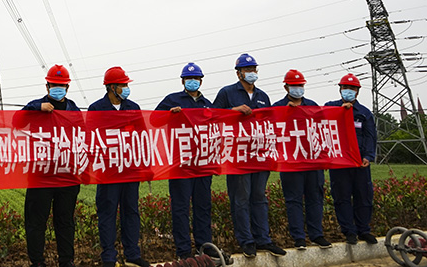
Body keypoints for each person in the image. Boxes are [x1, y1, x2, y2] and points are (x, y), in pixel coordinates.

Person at [213, 53, 285, 258]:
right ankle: (246, 240)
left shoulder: (263, 96)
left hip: (260, 155)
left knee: (259, 197)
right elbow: (212, 117)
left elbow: (270, 123)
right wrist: (233, 110)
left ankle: (264, 239)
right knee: (241, 198)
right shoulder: (227, 93)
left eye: (254, 69)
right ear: (239, 73)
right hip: (238, 157)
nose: (252, 73)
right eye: (248, 70)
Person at [155, 62, 218, 261]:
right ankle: (183, 251)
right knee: (181, 208)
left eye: (196, 79)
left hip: (201, 164)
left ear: (200, 81)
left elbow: (217, 126)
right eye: (189, 79)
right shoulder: (172, 100)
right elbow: (154, 120)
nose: (193, 82)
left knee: (203, 206)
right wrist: (168, 115)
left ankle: (204, 248)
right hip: (180, 164)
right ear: (183, 81)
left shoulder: (207, 104)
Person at [88, 67, 150, 267]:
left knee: (131, 212)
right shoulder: (96, 109)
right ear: (112, 87)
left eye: (126, 85)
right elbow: (90, 140)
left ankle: (132, 253)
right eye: (123, 85)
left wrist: (145, 165)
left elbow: (142, 139)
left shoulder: (133, 107)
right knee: (107, 213)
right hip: (108, 173)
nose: (126, 88)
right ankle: (109, 256)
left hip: (131, 171)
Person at [21, 64, 81, 267]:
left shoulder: (74, 110)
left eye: (61, 85)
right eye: (54, 85)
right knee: (36, 222)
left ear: (67, 88)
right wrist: (36, 109)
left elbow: (84, 137)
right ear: (47, 87)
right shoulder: (35, 106)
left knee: (65, 221)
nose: (58, 88)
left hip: (67, 175)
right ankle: (37, 261)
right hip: (41, 175)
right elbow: (16, 122)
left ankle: (66, 260)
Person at [272, 70, 331, 250]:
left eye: (301, 86)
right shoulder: (278, 108)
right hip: (291, 163)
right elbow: (272, 133)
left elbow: (323, 131)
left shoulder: (313, 106)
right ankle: (298, 237)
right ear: (286, 87)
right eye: (294, 86)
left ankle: (316, 234)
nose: (298, 89)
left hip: (312, 162)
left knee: (315, 198)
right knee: (294, 200)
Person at [325, 73, 377, 245]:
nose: (348, 91)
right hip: (339, 164)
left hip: (359, 163)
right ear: (340, 89)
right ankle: (349, 231)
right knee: (342, 197)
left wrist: (368, 156)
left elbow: (370, 137)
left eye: (352, 88)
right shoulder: (330, 108)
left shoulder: (364, 113)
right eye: (345, 88)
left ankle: (364, 230)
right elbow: (320, 127)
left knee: (363, 196)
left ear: (358, 91)